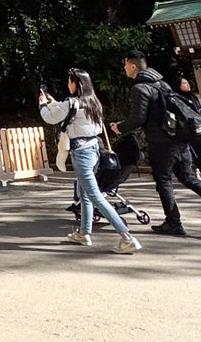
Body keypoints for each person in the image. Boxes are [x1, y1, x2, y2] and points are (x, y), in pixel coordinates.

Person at [112, 51, 201, 238]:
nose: (124, 68)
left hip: (161, 143)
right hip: (180, 140)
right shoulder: (161, 84)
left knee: (164, 181)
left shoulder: (140, 88)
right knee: (190, 179)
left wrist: (119, 127)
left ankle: (174, 222)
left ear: (132, 65)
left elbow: (138, 118)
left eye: (125, 64)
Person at [39, 68, 143, 254]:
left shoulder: (71, 103)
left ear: (76, 84)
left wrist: (42, 105)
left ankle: (127, 237)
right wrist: (53, 103)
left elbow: (50, 117)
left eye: (70, 81)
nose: (68, 84)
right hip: (95, 149)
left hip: (81, 153)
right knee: (85, 193)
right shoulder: (94, 103)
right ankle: (83, 233)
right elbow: (66, 111)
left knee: (95, 196)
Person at [175, 75, 201, 183]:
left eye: (187, 82)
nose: (187, 85)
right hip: (188, 129)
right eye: (184, 83)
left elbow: (195, 110)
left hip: (200, 129)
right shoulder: (177, 98)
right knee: (194, 152)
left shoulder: (193, 97)